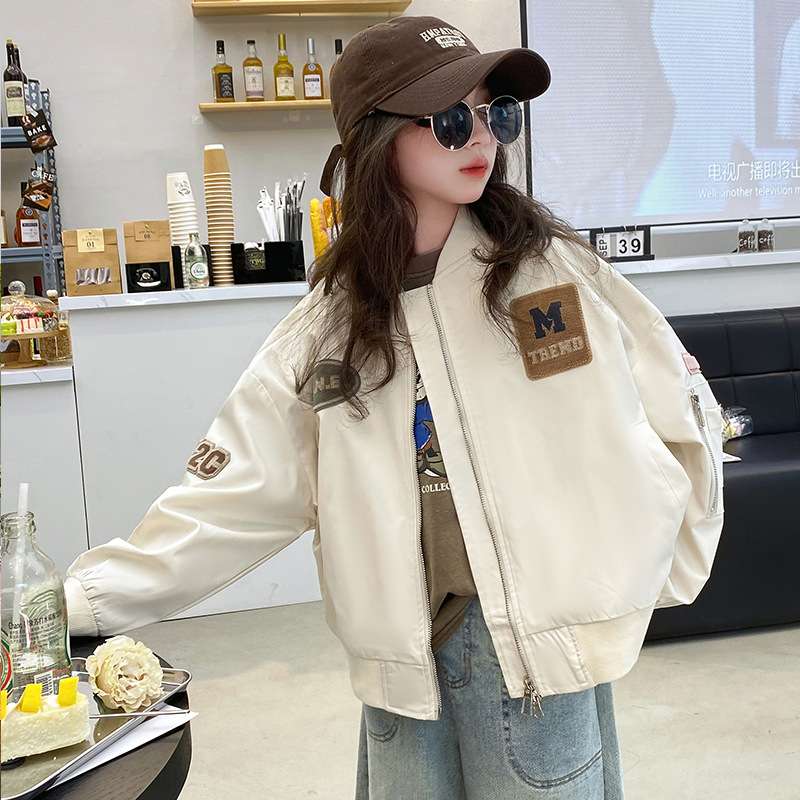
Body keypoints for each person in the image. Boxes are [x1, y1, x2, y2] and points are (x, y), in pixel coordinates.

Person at [64, 15, 725, 799]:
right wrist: (74, 603)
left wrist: (633, 579)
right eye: (450, 120)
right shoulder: (331, 328)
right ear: (378, 141)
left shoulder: (548, 275)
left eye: (495, 113)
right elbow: (229, 499)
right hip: (404, 671)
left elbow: (672, 411)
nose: (482, 139)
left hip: (537, 669)